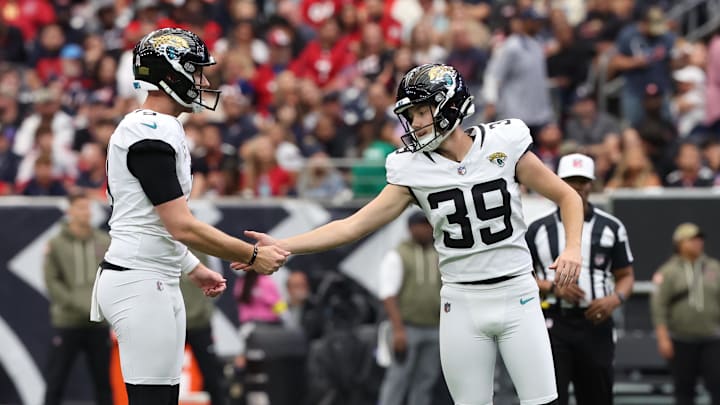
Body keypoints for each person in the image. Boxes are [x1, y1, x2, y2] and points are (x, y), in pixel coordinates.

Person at [233, 63, 584, 405]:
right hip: (461, 301)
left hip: (516, 292)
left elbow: (567, 195)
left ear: (449, 104)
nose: (414, 123)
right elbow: (352, 225)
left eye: (421, 111)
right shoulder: (412, 168)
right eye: (411, 114)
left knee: (542, 401)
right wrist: (285, 245)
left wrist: (572, 248)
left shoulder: (504, 143)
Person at [90, 28, 289, 405]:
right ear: (169, 74)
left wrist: (191, 266)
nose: (204, 81)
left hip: (151, 275)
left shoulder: (160, 127)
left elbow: (151, 218)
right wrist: (249, 254)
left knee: (163, 397)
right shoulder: (148, 131)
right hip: (141, 279)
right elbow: (179, 224)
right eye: (196, 71)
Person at [526, 153, 635, 405]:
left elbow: (626, 275)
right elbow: (522, 277)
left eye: (582, 180)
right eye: (570, 180)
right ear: (557, 182)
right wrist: (553, 288)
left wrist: (614, 299)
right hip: (552, 321)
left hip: (596, 321)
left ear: (592, 184)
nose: (577, 187)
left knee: (597, 396)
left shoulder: (611, 227)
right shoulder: (537, 229)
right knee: (551, 397)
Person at [43, 191, 112, 405]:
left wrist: (101, 307)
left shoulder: (104, 241)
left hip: (98, 324)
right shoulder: (56, 243)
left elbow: (112, 277)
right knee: (56, 380)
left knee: (103, 381)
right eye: (81, 208)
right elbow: (52, 280)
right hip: (68, 322)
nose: (86, 213)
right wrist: (77, 304)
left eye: (88, 207)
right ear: (70, 211)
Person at [650, 223, 720, 405]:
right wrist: (663, 338)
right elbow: (659, 306)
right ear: (680, 243)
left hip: (712, 338)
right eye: (692, 240)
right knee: (684, 389)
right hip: (681, 340)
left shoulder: (714, 268)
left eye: (699, 239)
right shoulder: (668, 271)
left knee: (717, 385)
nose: (698, 243)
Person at [377, 211, 442, 405]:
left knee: (425, 380)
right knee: (398, 379)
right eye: (421, 225)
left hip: (434, 326)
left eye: (428, 225)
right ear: (411, 228)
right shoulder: (398, 254)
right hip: (407, 327)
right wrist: (398, 330)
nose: (426, 229)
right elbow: (388, 294)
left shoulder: (438, 252)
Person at [179, 250, 229, 405]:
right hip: (173, 324)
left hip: (199, 323)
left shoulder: (204, 250)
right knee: (163, 378)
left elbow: (217, 281)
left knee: (212, 375)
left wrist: (204, 308)